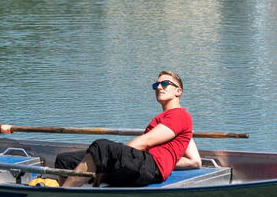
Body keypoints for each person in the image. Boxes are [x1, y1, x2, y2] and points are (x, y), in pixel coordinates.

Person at [57, 71, 201, 187]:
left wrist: (109, 159)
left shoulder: (180, 115)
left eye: (164, 84)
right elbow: (195, 160)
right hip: (142, 164)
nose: (158, 87)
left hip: (152, 167)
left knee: (101, 147)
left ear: (178, 91)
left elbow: (146, 142)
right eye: (155, 85)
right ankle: (66, 188)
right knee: (65, 160)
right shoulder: (169, 120)